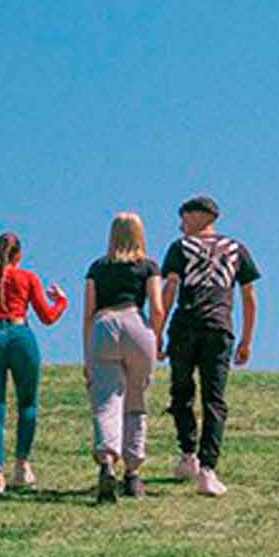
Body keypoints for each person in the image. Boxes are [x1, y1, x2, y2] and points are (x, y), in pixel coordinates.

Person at [159, 195, 261, 497]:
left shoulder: (181, 248)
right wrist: (246, 339)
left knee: (181, 391)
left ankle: (189, 453)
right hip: (219, 328)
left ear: (199, 216)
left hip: (186, 326)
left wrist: (157, 331)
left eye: (184, 218)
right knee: (214, 398)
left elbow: (169, 290)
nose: (180, 225)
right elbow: (249, 296)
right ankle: (207, 468)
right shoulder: (236, 249)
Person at [0, 232, 67, 494]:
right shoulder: (27, 278)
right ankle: (21, 466)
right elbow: (48, 317)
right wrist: (61, 301)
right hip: (21, 335)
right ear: (19, 255)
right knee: (27, 402)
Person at [82, 212, 165, 503]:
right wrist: (156, 337)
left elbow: (88, 313)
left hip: (104, 326)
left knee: (106, 401)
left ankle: (106, 462)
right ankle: (133, 473)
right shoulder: (148, 266)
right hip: (136, 324)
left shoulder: (97, 267)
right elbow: (157, 307)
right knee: (136, 401)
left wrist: (87, 356)